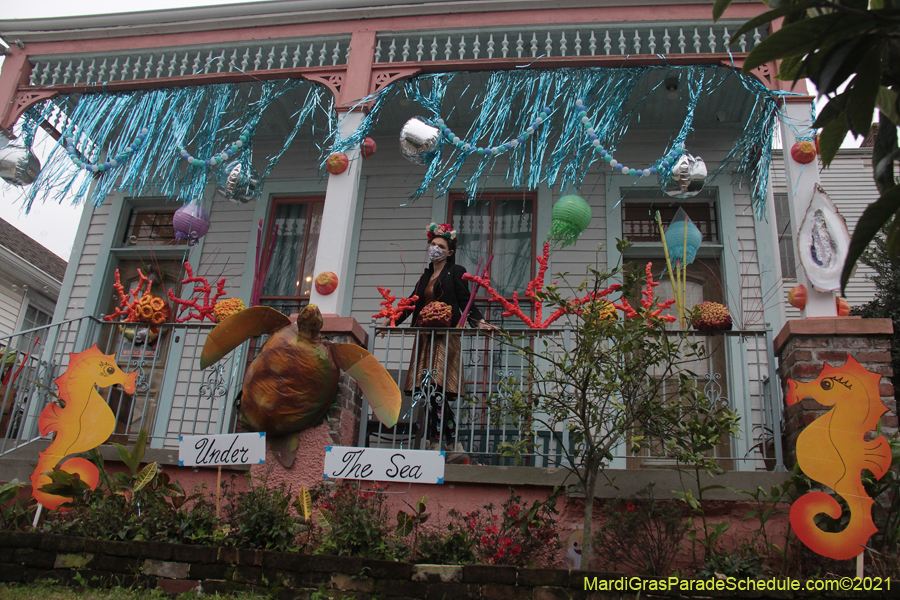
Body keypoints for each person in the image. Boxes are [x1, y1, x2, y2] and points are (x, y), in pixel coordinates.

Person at [385, 222, 492, 464]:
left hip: (445, 338)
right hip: (426, 339)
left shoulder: (455, 272)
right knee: (430, 392)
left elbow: (465, 300)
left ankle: (442, 442)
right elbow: (412, 304)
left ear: (449, 252)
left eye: (440, 246)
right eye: (433, 244)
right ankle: (446, 443)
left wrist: (480, 322)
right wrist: (393, 321)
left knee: (439, 389)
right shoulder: (425, 276)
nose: (435, 249)